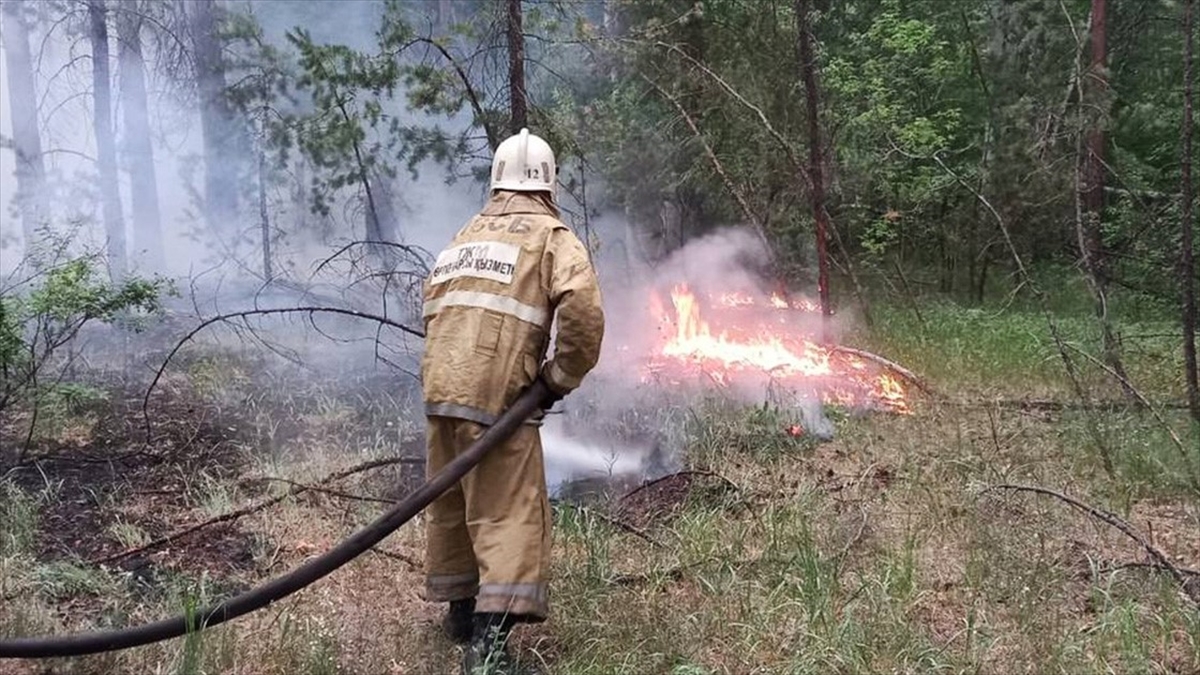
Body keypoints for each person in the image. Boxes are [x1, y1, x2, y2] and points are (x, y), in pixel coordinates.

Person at [419, 128, 605, 674]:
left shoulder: (465, 235)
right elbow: (585, 312)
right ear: (548, 183)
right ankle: (489, 650)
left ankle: (458, 615)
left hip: (441, 388)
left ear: (496, 179)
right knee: (507, 514)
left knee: (454, 503)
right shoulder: (551, 237)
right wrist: (556, 378)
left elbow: (432, 303)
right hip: (499, 397)